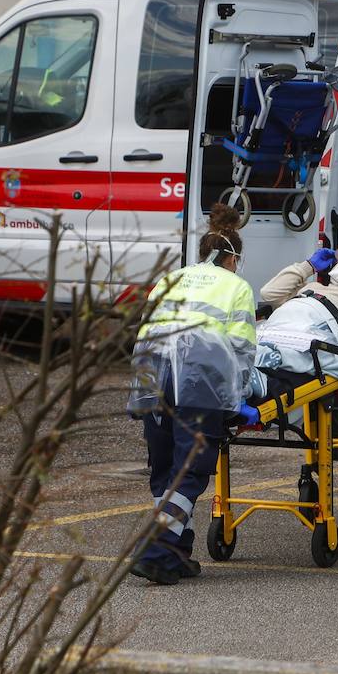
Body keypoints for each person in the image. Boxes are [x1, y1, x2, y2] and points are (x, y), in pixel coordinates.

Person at [127, 203, 258, 586]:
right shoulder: (236, 287)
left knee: (165, 469)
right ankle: (154, 552)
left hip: (153, 376)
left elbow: (145, 330)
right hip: (199, 382)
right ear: (232, 257)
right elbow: (241, 349)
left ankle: (174, 554)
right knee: (190, 471)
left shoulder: (171, 278)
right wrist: (240, 397)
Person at [251, 239, 338, 384]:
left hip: (316, 329)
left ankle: (265, 363)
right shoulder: (313, 286)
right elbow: (269, 293)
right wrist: (309, 266)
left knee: (279, 353)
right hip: (281, 323)